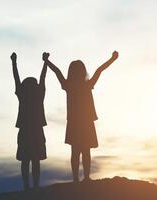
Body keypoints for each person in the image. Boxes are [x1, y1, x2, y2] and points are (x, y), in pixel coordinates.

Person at [44, 51, 119, 182]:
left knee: (76, 151)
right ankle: (86, 178)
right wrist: (112, 59)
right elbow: (99, 70)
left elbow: (57, 72)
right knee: (85, 151)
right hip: (85, 122)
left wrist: (47, 61)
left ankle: (76, 179)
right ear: (83, 71)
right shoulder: (86, 85)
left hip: (75, 122)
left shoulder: (69, 85)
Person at [10, 52, 49, 190]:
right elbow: (42, 78)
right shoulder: (38, 94)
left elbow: (16, 78)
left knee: (27, 160)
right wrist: (45, 62)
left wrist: (14, 62)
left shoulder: (24, 95)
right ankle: (34, 186)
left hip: (26, 130)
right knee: (34, 160)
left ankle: (27, 185)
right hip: (35, 129)